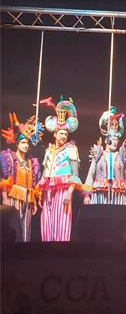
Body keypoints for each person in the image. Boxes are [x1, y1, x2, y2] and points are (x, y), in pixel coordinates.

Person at [36, 96, 82, 242]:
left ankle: (60, 251)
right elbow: (45, 173)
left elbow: (75, 174)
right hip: (48, 189)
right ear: (55, 134)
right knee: (46, 220)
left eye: (65, 134)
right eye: (60, 133)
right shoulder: (49, 151)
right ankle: (46, 250)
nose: (63, 136)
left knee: (62, 220)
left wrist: (69, 192)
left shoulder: (71, 149)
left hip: (63, 189)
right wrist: (41, 194)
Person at [0, 112, 43, 241]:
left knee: (26, 229)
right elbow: (4, 179)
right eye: (23, 143)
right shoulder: (10, 158)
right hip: (13, 196)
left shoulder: (32, 162)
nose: (25, 145)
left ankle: (24, 253)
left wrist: (34, 201)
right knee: (14, 227)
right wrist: (5, 198)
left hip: (28, 199)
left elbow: (34, 184)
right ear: (17, 144)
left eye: (27, 143)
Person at [83, 107, 126, 205]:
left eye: (117, 141)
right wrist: (87, 195)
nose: (115, 143)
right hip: (100, 192)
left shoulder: (121, 156)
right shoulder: (99, 154)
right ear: (106, 141)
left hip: (118, 193)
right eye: (112, 140)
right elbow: (90, 175)